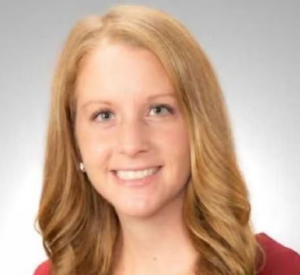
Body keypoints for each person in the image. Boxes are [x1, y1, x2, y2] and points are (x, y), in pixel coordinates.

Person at [33, 4, 300, 275]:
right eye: (104, 115)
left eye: (158, 110)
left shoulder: (283, 269)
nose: (132, 144)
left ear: (199, 127)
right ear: (73, 140)